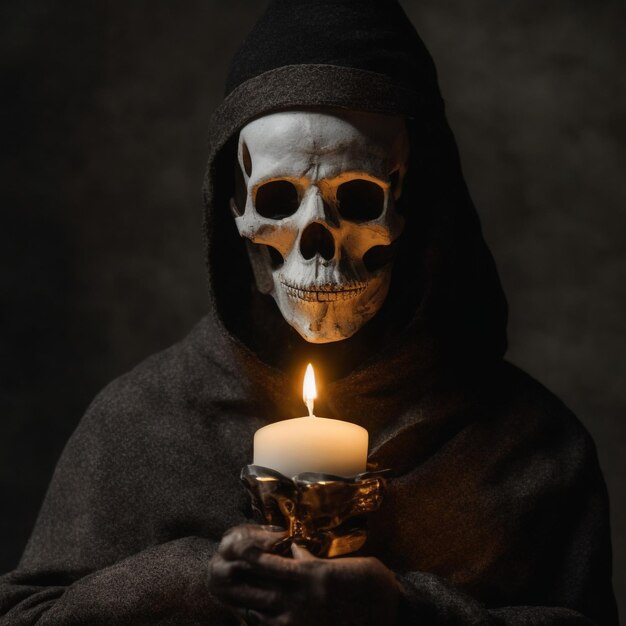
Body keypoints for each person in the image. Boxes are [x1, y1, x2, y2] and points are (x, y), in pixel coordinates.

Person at [0, 1, 618, 624]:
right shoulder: (140, 426)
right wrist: (192, 579)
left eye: (359, 198)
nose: (317, 246)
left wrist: (404, 612)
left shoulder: (531, 452)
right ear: (235, 208)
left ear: (415, 200)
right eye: (279, 199)